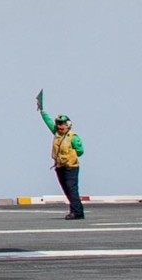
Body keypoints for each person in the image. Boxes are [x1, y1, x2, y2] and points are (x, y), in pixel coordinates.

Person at [40, 91, 86, 219]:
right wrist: (42, 112)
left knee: (72, 189)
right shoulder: (57, 134)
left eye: (63, 124)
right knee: (67, 190)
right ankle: (78, 211)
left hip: (71, 167)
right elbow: (48, 122)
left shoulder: (73, 137)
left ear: (68, 125)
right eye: (59, 124)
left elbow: (80, 151)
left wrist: (70, 156)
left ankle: (76, 212)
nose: (60, 126)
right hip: (60, 166)